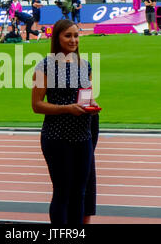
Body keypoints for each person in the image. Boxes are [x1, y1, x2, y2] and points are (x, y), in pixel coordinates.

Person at [31, 19, 101, 224]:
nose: (73, 40)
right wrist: (66, 109)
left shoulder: (85, 65)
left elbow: (85, 95)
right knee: (62, 192)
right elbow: (36, 105)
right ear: (57, 38)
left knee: (79, 193)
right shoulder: (45, 66)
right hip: (57, 137)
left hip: (83, 136)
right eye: (68, 36)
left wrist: (92, 104)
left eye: (76, 35)